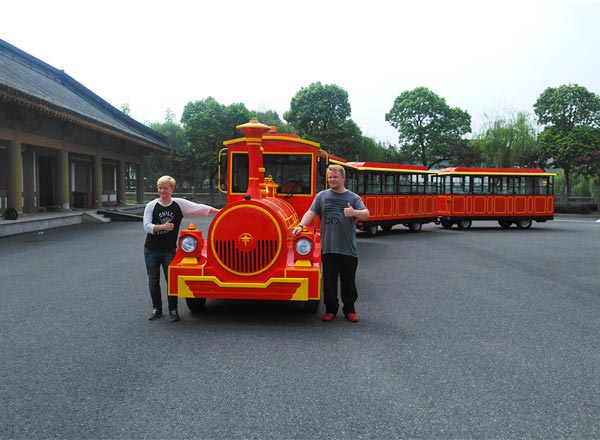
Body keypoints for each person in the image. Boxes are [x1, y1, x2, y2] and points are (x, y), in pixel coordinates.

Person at [292, 164, 369, 323]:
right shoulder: (322, 196)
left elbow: (366, 214)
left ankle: (350, 310)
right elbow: (311, 212)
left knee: (348, 281)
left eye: (335, 177)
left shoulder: (352, 197)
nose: (332, 180)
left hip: (348, 249)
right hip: (328, 248)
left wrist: (354, 212)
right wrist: (301, 225)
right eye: (330, 177)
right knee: (329, 281)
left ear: (343, 178)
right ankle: (330, 310)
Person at [143, 175, 220, 322]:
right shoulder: (151, 205)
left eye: (165, 188)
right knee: (153, 280)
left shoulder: (178, 204)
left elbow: (199, 207)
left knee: (171, 280)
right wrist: (163, 227)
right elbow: (146, 226)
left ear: (171, 189)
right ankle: (156, 309)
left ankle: (173, 310)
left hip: (169, 250)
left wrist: (220, 211)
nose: (162, 191)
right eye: (160, 188)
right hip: (151, 249)